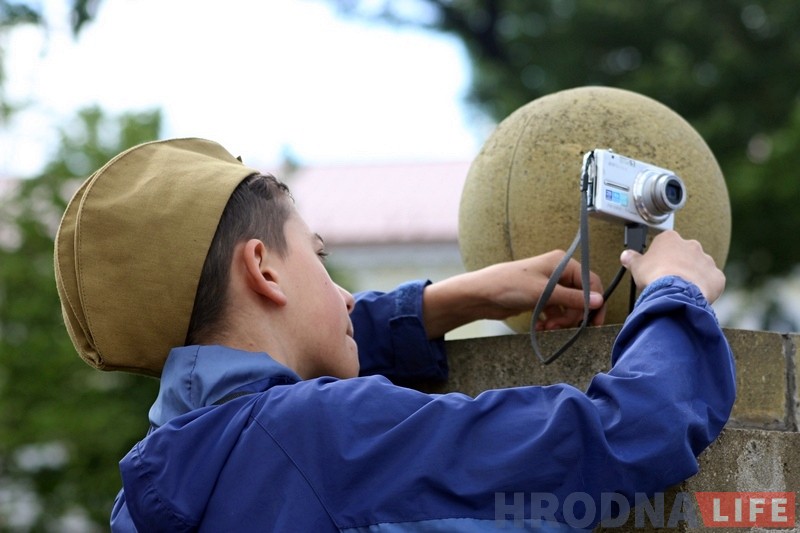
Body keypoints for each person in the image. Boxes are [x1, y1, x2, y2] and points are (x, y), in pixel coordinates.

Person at [54, 138, 735, 532]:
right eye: (318, 258)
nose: (347, 294)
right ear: (262, 268)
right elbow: (622, 432)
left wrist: (450, 300)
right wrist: (675, 292)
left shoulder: (161, 475)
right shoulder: (324, 435)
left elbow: (265, 386)